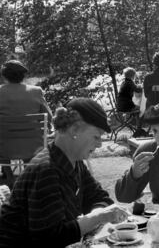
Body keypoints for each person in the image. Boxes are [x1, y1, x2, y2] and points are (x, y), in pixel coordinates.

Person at [0, 98, 129, 247]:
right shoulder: (46, 171)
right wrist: (98, 217)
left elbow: (100, 197)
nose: (100, 143)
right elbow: (49, 239)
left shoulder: (74, 162)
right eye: (96, 136)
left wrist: (96, 214)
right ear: (74, 130)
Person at [0, 60, 53, 180]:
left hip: (4, 148)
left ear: (4, 75)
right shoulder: (35, 91)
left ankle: (9, 177)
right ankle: (27, 175)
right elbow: (48, 116)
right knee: (27, 141)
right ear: (24, 75)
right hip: (33, 147)